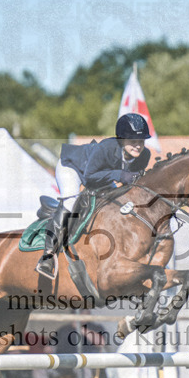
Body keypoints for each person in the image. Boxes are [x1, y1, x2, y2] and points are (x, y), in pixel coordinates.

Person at [36, 113, 152, 279]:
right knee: (71, 202)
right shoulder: (106, 148)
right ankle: (47, 255)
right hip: (73, 168)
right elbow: (90, 177)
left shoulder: (144, 156)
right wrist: (119, 174)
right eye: (132, 141)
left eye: (141, 141)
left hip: (101, 176)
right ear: (121, 140)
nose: (138, 146)